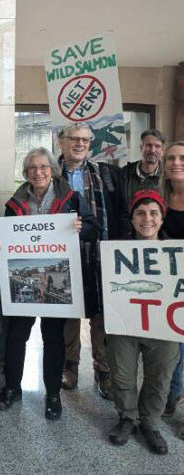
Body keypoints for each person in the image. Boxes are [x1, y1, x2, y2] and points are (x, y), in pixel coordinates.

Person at [0, 147, 98, 419]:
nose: (37, 173)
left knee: (53, 338)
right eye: (32, 169)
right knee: (16, 336)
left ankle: (52, 395)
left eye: (43, 167)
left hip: (57, 280)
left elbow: (94, 228)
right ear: (26, 173)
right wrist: (0, 243)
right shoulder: (15, 201)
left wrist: (80, 228)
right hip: (22, 279)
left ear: (52, 170)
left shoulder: (71, 198)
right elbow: (7, 237)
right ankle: (12, 388)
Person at [58, 122, 130, 400]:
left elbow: (122, 212)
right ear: (62, 142)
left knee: (102, 312)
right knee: (68, 311)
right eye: (74, 139)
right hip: (65, 254)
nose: (79, 144)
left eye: (85, 141)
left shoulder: (106, 173)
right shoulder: (50, 174)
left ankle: (103, 369)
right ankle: (70, 365)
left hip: (101, 253)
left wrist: (119, 248)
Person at [107, 190, 180, 454]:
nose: (146, 219)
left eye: (153, 213)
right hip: (125, 324)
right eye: (140, 213)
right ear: (132, 218)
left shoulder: (178, 252)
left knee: (159, 377)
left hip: (164, 325)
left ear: (161, 218)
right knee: (122, 374)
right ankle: (127, 417)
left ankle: (150, 422)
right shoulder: (116, 250)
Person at [159, 141, 184, 436]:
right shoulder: (161, 200)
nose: (176, 163)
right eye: (171, 159)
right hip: (168, 287)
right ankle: (172, 393)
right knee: (174, 345)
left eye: (181, 158)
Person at [121, 129, 165, 200]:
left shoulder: (167, 175)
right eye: (148, 145)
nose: (153, 150)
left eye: (157, 146)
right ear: (141, 148)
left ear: (162, 151)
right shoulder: (125, 173)